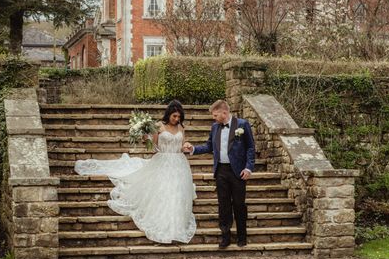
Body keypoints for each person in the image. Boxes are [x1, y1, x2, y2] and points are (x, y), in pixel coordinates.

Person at [74, 100, 196, 244]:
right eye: (174, 116)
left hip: (179, 164)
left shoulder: (181, 127)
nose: (177, 119)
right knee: (164, 193)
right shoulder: (158, 126)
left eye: (179, 117)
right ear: (169, 114)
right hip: (162, 162)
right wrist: (146, 139)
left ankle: (177, 226)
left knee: (177, 193)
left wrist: (187, 146)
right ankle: (164, 226)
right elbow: (154, 148)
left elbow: (182, 146)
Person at [183, 100, 255, 248]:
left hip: (238, 171)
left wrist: (248, 168)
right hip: (221, 170)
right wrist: (193, 149)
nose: (213, 118)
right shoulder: (215, 127)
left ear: (224, 112)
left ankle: (242, 236)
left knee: (239, 204)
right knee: (223, 205)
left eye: (215, 115)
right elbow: (209, 146)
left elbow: (250, 148)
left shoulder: (242, 124)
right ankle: (225, 236)